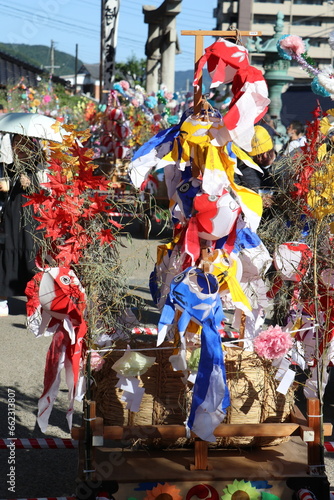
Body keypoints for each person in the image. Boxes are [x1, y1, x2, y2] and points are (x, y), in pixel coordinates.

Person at [0, 134, 46, 316]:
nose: (23, 146)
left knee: (33, 252)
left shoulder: (39, 160)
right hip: (12, 212)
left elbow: (46, 184)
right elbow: (3, 186)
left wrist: (31, 180)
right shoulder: (5, 162)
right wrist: (11, 182)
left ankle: (34, 301)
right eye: (18, 141)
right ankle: (3, 298)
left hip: (34, 213)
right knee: (8, 251)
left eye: (27, 142)